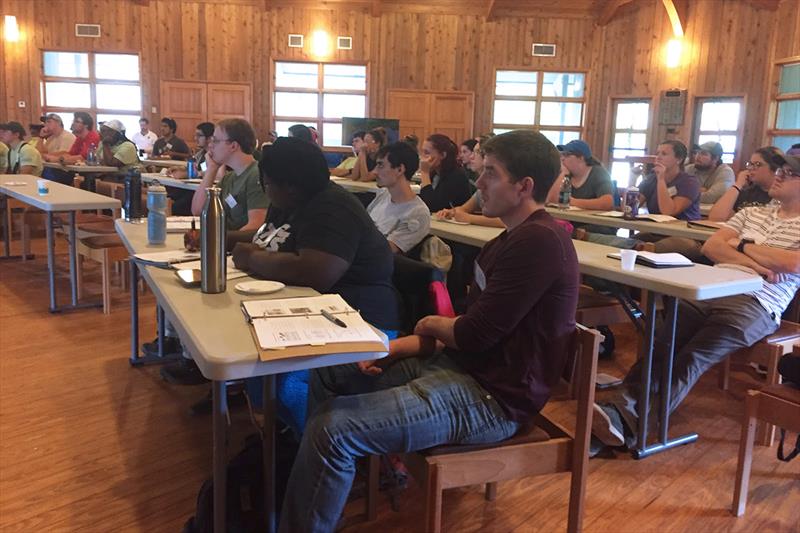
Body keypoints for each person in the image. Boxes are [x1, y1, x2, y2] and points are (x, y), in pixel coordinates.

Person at [279, 130, 579, 532]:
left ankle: (322, 486)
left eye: (490, 173)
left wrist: (427, 323)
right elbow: (471, 332)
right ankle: (331, 480)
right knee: (331, 373)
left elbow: (473, 333)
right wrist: (398, 346)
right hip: (458, 370)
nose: (478, 181)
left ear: (524, 186)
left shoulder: (540, 242)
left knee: (332, 430)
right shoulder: (510, 240)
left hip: (494, 399)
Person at [592, 154, 800, 453]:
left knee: (692, 356)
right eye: (779, 170)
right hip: (710, 288)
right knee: (660, 341)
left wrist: (740, 245)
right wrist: (758, 264)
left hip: (757, 304)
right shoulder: (753, 212)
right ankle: (619, 414)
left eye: (789, 173)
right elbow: (713, 245)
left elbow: (793, 263)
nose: (777, 176)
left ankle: (627, 424)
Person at [230, 136, 400, 434]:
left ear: (291, 186)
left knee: (288, 382)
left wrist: (253, 259)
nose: (265, 189)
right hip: (314, 311)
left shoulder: (333, 208)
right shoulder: (287, 201)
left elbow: (317, 271)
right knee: (256, 361)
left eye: (267, 183)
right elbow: (265, 240)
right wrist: (225, 239)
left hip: (362, 321)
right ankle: (280, 435)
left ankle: (309, 448)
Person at [651, 146, 784, 263]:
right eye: (750, 164)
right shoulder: (746, 192)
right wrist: (737, 185)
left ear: (775, 169)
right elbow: (716, 217)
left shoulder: (782, 198)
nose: (751, 169)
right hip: (728, 245)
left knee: (682, 245)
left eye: (758, 165)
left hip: (750, 249)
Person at [189, 118, 267, 231]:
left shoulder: (256, 175)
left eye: (215, 141)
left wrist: (221, 242)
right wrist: (212, 168)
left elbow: (256, 226)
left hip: (236, 246)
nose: (210, 146)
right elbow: (197, 210)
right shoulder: (229, 178)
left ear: (233, 146)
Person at [367, 141, 430, 254]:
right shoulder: (383, 195)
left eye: (381, 165)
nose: (375, 172)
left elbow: (383, 252)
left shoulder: (417, 213)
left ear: (400, 169)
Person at [435, 133, 503, 228]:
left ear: (487, 156)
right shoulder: (480, 191)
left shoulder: (500, 187)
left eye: (476, 152)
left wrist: (469, 218)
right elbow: (464, 208)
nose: (471, 157)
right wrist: (451, 212)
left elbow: (504, 220)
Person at [638, 140, 701, 221]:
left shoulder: (689, 182)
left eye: (664, 154)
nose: (658, 157)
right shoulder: (651, 179)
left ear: (679, 160)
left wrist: (661, 179)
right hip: (657, 230)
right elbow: (629, 207)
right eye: (657, 153)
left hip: (683, 230)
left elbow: (669, 212)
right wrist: (633, 178)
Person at [40, 112, 101, 185]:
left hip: (93, 173)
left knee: (50, 173)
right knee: (49, 172)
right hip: (79, 171)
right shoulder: (79, 138)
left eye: (77, 121)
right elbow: (70, 154)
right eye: (73, 121)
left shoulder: (92, 136)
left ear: (86, 125)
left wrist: (58, 159)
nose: (73, 124)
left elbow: (82, 157)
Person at [418, 133, 471, 212]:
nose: (422, 157)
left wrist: (424, 172)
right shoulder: (436, 173)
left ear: (442, 155)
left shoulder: (456, 176)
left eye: (427, 152)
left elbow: (432, 206)